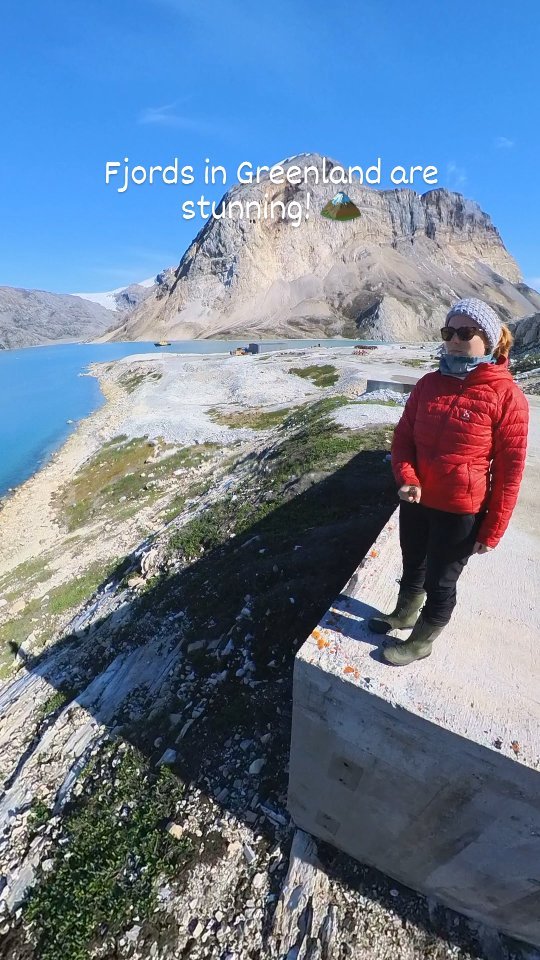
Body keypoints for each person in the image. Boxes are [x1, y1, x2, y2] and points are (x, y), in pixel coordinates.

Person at [368, 297, 530, 666]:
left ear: (487, 339)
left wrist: (493, 530)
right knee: (413, 562)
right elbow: (404, 438)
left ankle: (422, 640)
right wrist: (407, 477)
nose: (454, 339)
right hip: (416, 499)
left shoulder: (506, 396)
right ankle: (405, 614)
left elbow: (509, 472)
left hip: (461, 509)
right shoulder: (428, 384)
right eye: (448, 332)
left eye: (465, 332)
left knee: (441, 581)